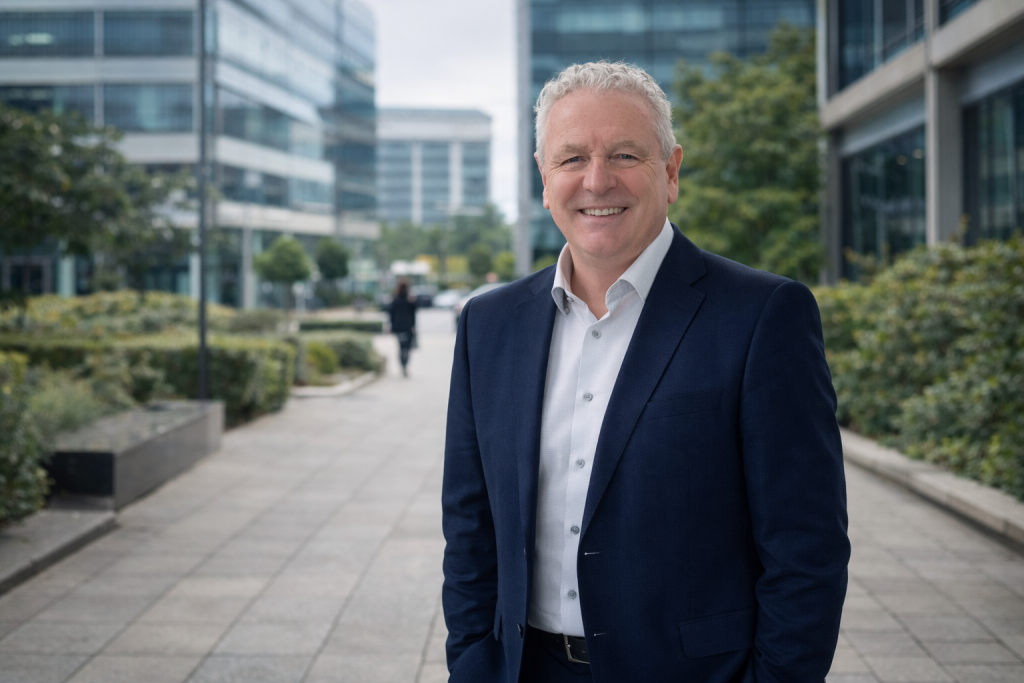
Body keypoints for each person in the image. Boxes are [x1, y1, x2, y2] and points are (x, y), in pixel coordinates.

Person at [441, 61, 849, 683]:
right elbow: (469, 530)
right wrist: (472, 661)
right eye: (571, 158)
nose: (596, 181)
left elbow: (806, 551)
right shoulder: (487, 325)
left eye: (625, 154)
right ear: (544, 179)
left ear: (672, 170)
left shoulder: (763, 316)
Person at [388, 279, 417, 377]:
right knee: (406, 348)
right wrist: (414, 326)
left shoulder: (395, 299)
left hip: (398, 327)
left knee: (401, 347)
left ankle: (403, 365)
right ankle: (405, 365)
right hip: (408, 327)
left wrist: (391, 327)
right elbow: (414, 313)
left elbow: (391, 314)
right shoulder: (409, 299)